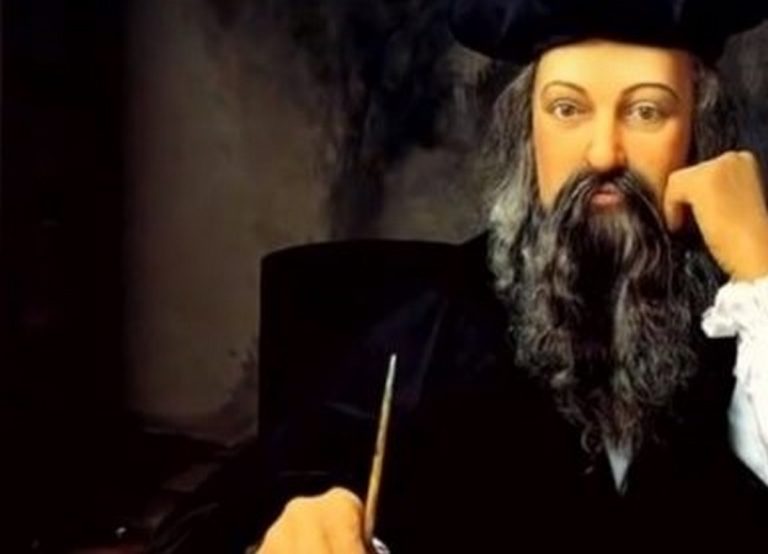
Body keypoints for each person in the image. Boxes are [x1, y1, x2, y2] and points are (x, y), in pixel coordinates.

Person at [151, 1, 768, 552]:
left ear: (700, 136)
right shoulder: (431, 324)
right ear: (528, 134)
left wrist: (760, 273)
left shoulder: (748, 312)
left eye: (646, 110)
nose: (604, 153)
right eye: (566, 108)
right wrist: (292, 528)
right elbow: (216, 514)